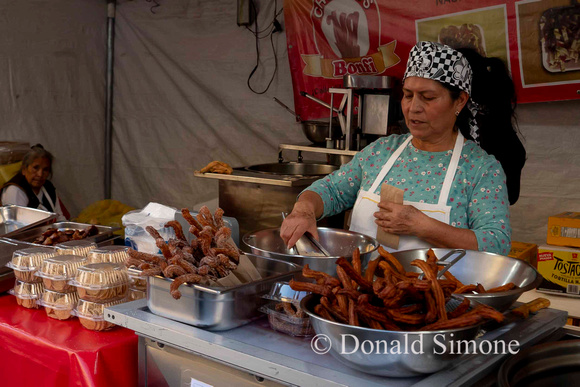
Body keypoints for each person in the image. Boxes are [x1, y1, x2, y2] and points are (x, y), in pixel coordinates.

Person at [281, 41, 525, 256]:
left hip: (439, 302)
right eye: (408, 95)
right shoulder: (381, 152)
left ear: (459, 101)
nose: (413, 107)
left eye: (427, 98)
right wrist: (304, 209)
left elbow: (496, 243)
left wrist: (422, 225)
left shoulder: (480, 169)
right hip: (363, 296)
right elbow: (331, 190)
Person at [1, 144, 69, 221]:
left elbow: (59, 217)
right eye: (35, 168)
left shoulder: (48, 187)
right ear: (24, 169)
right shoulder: (15, 190)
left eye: (45, 170)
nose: (40, 174)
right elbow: (17, 226)